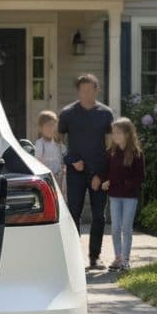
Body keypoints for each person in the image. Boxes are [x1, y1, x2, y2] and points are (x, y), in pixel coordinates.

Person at [58, 74, 114, 268]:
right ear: (78, 92)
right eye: (82, 91)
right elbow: (57, 141)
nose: (85, 94)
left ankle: (94, 257)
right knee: (74, 213)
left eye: (89, 91)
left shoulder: (105, 114)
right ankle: (72, 259)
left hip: (98, 173)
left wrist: (101, 174)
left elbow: (110, 146)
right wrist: (71, 160)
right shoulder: (67, 114)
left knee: (99, 216)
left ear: (96, 90)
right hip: (76, 172)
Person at [102, 117, 145, 271]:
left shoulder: (136, 153)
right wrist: (105, 181)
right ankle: (118, 257)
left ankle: (126, 260)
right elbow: (107, 172)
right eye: (113, 133)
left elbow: (140, 177)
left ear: (127, 134)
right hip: (114, 196)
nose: (114, 136)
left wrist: (126, 185)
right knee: (115, 228)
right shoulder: (111, 153)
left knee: (126, 228)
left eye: (118, 133)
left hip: (129, 198)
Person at [34, 110, 66, 190]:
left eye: (53, 125)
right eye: (48, 125)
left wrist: (64, 169)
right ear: (41, 128)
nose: (51, 128)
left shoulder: (59, 145)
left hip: (60, 180)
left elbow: (64, 160)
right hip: (47, 180)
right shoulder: (40, 144)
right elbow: (38, 163)